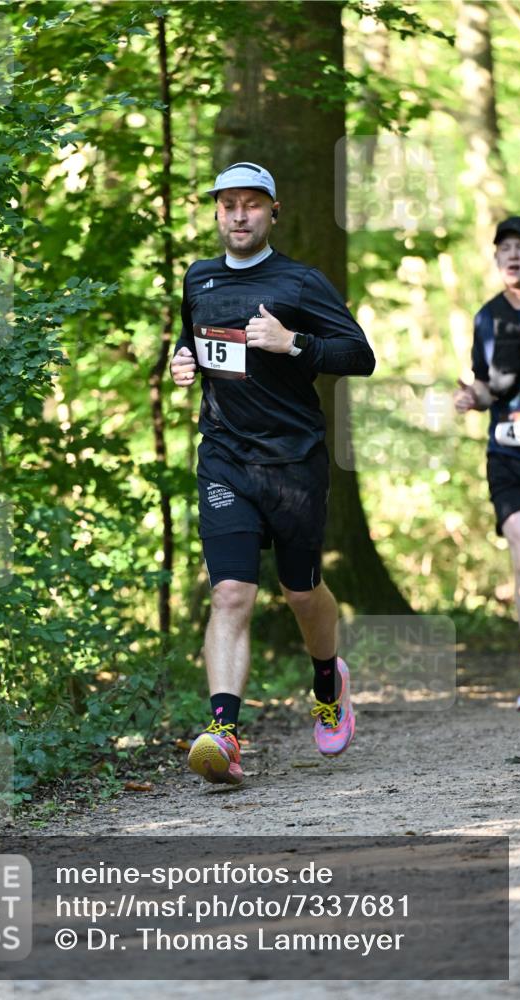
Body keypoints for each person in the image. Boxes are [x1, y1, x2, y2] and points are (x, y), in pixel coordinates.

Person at [170, 162, 376, 785]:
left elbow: (359, 356)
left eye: (251, 205)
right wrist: (183, 361)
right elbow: (195, 342)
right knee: (231, 592)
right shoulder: (199, 278)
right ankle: (224, 734)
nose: (238, 215)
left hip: (293, 465)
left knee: (300, 593)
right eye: (228, 204)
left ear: (273, 211)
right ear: (215, 212)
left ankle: (326, 679)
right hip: (226, 458)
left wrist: (294, 345)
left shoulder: (301, 282)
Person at [454, 215, 520, 712]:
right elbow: (485, 385)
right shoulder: (486, 317)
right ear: (496, 257)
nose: (514, 254)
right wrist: (470, 396)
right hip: (507, 452)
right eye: (505, 247)